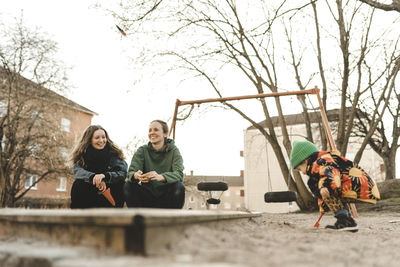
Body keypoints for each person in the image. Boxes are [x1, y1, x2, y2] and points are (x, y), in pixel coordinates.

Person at [290, 140, 380, 231]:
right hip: (360, 185)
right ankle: (349, 222)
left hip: (358, 186)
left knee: (326, 189)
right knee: (327, 189)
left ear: (306, 161)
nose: (303, 173)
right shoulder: (321, 164)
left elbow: (331, 173)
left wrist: (324, 187)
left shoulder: (321, 162)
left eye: (300, 169)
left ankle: (344, 221)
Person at [124, 120, 185, 209]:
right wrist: (136, 175)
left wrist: (161, 177)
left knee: (179, 186)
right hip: (147, 197)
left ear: (165, 134)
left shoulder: (174, 150)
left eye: (156, 130)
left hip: (167, 197)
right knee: (128, 185)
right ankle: (138, 219)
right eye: (150, 130)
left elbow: (179, 174)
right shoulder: (142, 150)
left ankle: (171, 220)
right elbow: (131, 172)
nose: (152, 132)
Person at [70, 125, 127, 208]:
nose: (101, 140)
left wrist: (105, 176)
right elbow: (77, 171)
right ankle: (79, 217)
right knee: (78, 184)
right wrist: (94, 177)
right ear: (90, 140)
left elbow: (122, 172)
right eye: (97, 138)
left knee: (121, 184)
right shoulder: (82, 155)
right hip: (89, 192)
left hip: (110, 192)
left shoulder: (114, 154)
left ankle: (115, 215)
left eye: (103, 137)